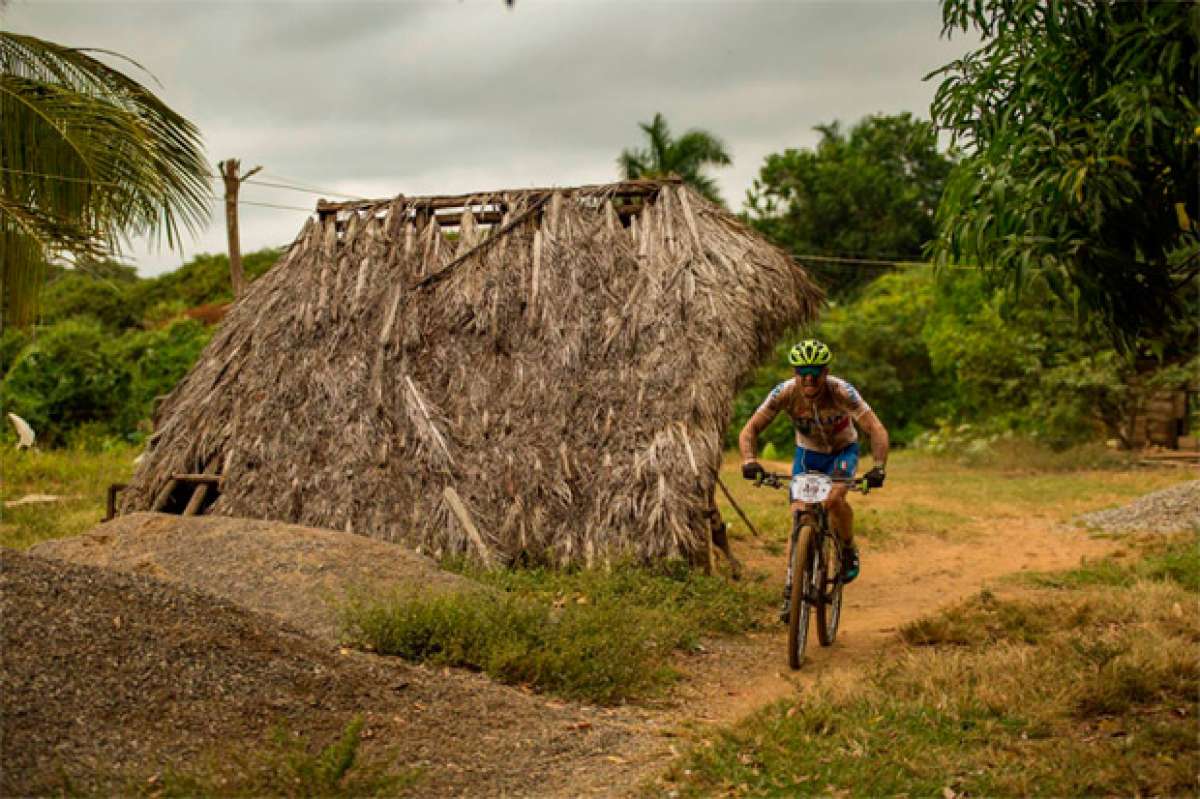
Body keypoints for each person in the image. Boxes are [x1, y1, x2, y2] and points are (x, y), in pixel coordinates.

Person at [738, 339, 888, 614]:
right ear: (795, 372)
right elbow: (749, 430)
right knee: (799, 513)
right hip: (808, 454)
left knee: (833, 500)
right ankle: (791, 588)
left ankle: (847, 548)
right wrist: (750, 461)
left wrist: (878, 466)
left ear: (826, 371)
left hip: (843, 451)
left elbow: (875, 428)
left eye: (815, 371)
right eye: (802, 371)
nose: (809, 378)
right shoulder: (783, 392)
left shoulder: (842, 391)